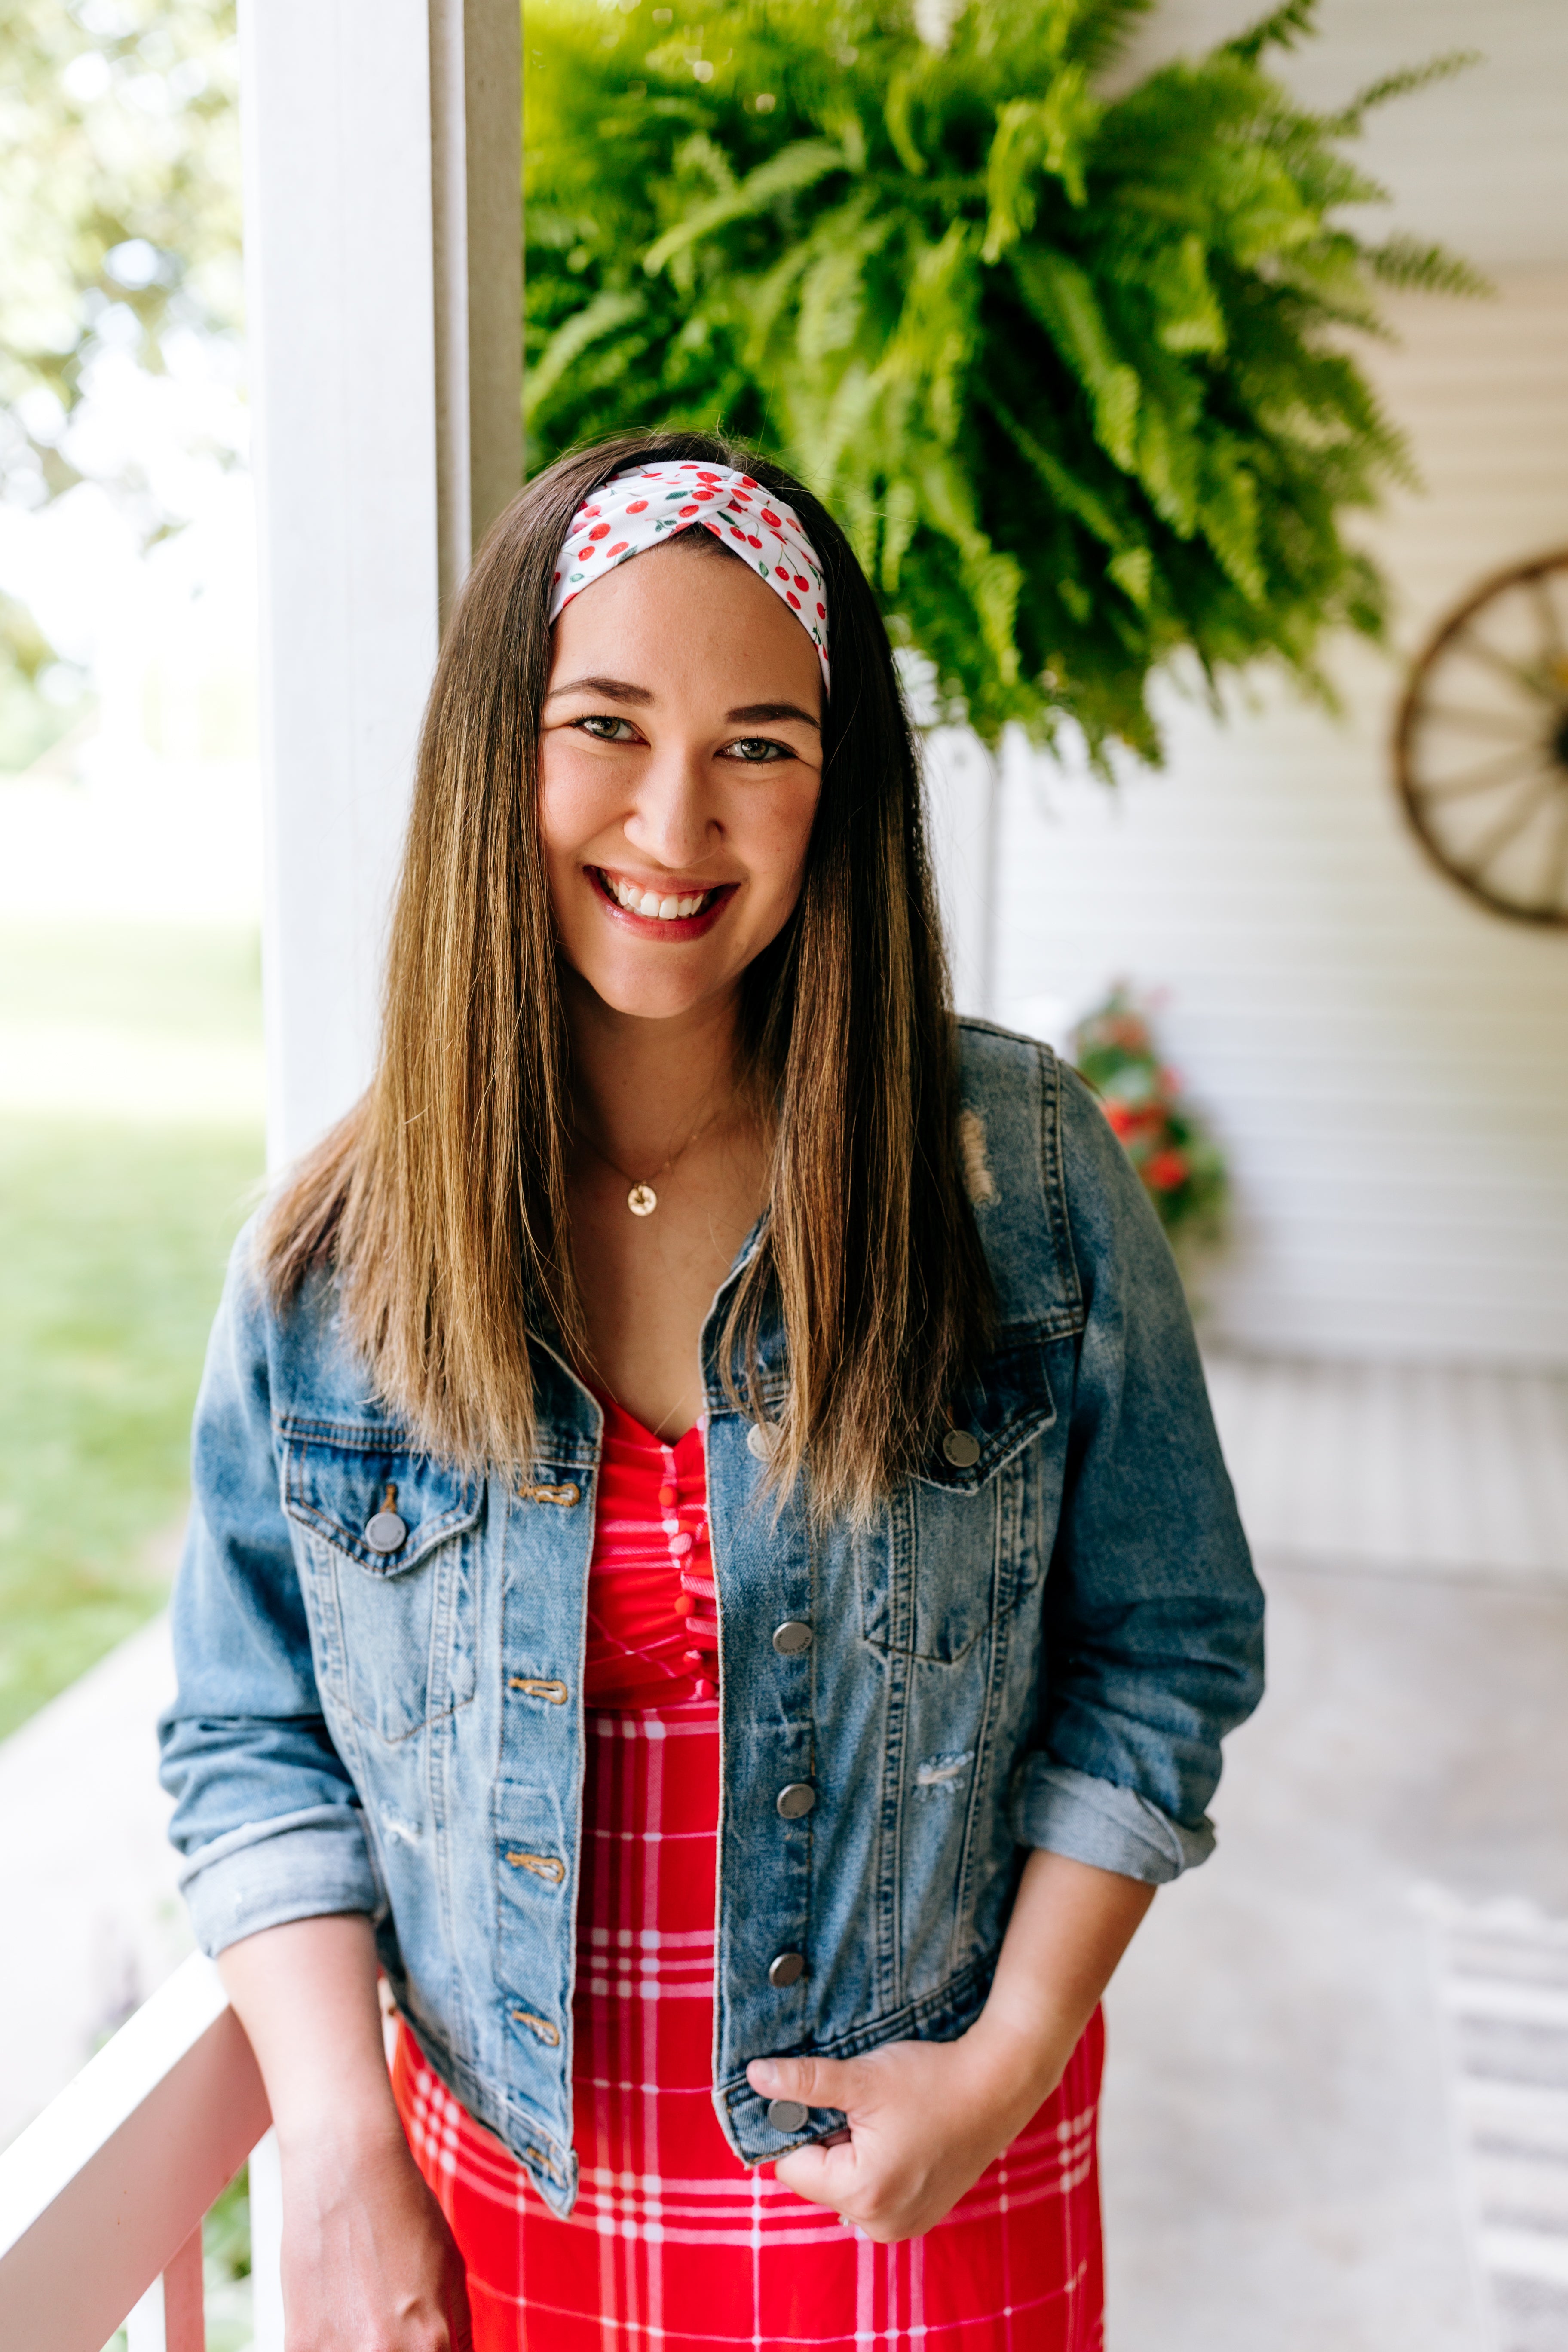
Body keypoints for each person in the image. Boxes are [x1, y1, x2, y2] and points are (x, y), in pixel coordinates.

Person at [159, 429, 1264, 2352]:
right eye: (607, 723)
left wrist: (1004, 2061)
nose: (678, 823)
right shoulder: (334, 1263)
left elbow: (1166, 1644)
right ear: (496, 751)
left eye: (761, 742)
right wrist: (337, 2143)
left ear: (840, 796)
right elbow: (248, 1734)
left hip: (926, 2189)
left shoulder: (1017, 1174)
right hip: (497, 2212)